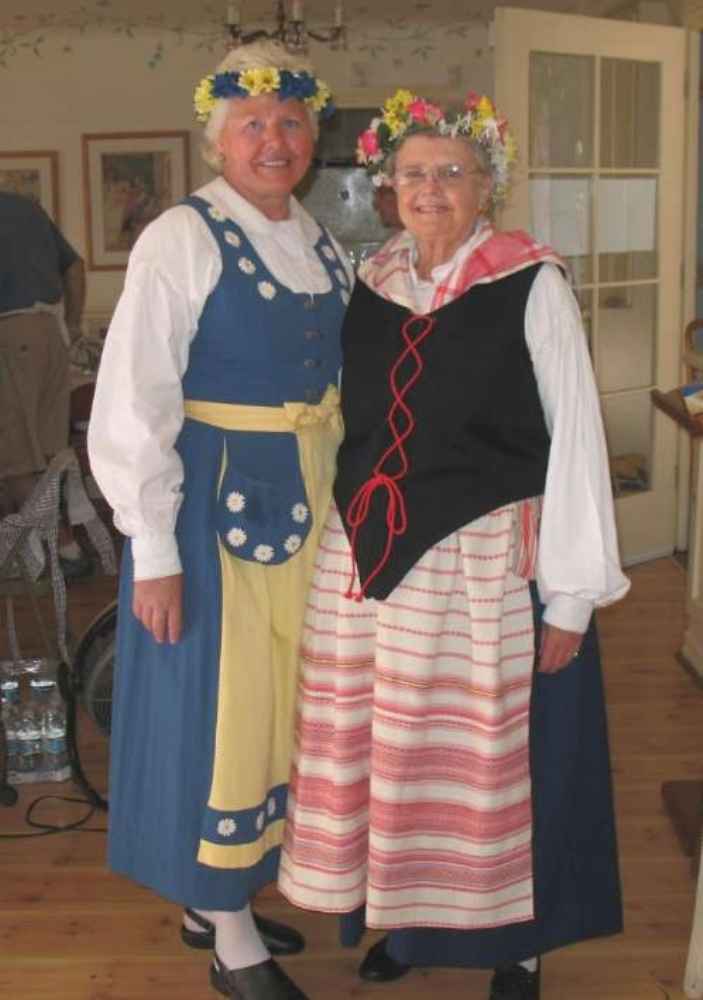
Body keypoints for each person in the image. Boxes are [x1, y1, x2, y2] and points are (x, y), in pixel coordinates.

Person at [278, 89, 630, 1000]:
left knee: (488, 762)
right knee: (395, 759)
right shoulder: (371, 280)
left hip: (482, 560)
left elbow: (576, 433)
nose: (429, 189)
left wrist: (570, 594)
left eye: (451, 173)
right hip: (369, 560)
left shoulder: (530, 282)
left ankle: (516, 946)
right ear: (387, 187)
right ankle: (411, 923)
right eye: (412, 174)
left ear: (486, 187)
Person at [88, 41, 351, 1000]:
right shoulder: (180, 237)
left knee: (284, 699)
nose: (273, 141)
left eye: (290, 122)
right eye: (252, 125)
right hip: (215, 506)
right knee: (223, 706)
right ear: (216, 141)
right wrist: (153, 548)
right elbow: (133, 399)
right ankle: (227, 930)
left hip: (310, 499)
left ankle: (219, 896)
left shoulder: (319, 241)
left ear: (312, 137)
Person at [0, 191, 92, 579]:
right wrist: (72, 324)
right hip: (50, 334)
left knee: (15, 456)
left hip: (10, 335)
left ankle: (54, 554)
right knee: (49, 453)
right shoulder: (24, 206)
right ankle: (57, 549)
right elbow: (75, 266)